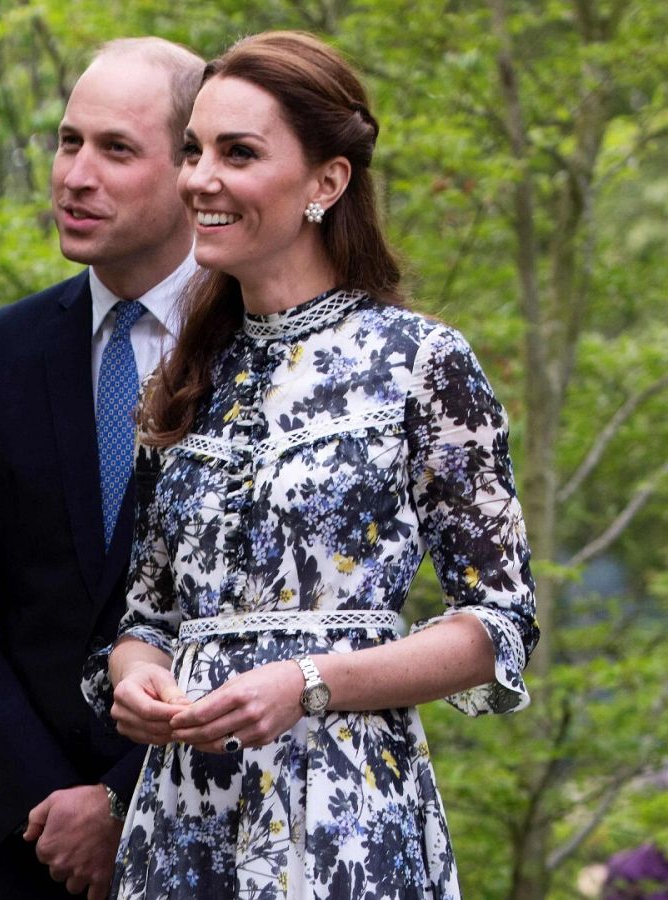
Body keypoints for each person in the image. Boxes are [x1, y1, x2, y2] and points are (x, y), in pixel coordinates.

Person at [80, 31, 539, 898]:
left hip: (347, 819)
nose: (200, 179)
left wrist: (310, 682)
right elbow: (144, 617)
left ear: (327, 182)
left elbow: (498, 627)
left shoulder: (420, 362)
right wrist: (138, 681)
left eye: (238, 153)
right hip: (182, 823)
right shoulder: (186, 372)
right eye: (193, 151)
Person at [0, 38, 205, 899]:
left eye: (115, 149)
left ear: (192, 168)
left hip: (209, 830)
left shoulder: (258, 360)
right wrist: (52, 808)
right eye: (69, 142)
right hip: (21, 848)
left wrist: (121, 801)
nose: (75, 174)